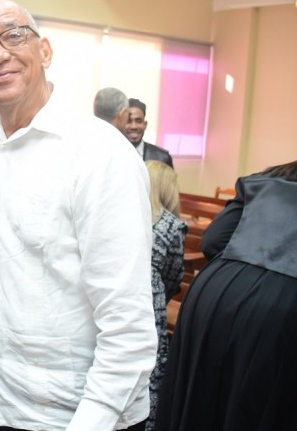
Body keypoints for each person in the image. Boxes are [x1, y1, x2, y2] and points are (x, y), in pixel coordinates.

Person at [0, 0, 157, 431]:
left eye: (14, 35)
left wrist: (91, 421)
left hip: (77, 413)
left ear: (45, 51)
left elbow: (127, 321)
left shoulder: (99, 152)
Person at [154, 159, 297, 431]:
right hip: (282, 305)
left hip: (215, 289)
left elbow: (213, 241)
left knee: (198, 386)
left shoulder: (262, 180)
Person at [144, 160, 186, 431]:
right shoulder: (171, 225)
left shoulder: (120, 215)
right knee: (149, 374)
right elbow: (174, 275)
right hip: (151, 303)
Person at [124, 98, 173, 168]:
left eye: (139, 121)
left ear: (145, 124)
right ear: (120, 124)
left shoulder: (162, 158)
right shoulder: (110, 154)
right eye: (128, 121)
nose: (134, 126)